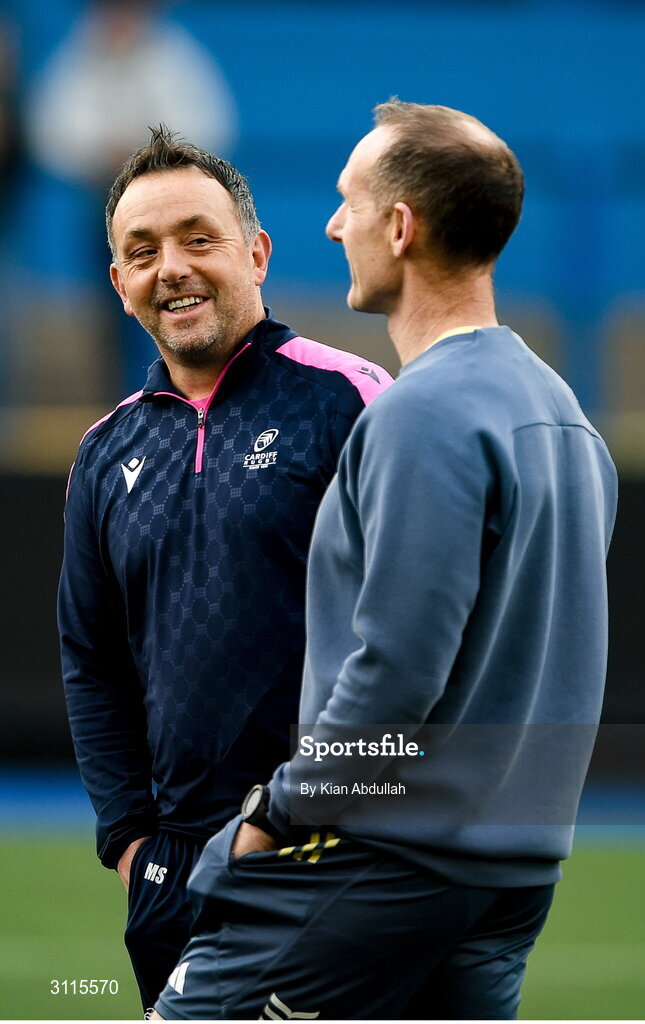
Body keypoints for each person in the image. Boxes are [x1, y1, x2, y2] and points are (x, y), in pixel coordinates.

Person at [152, 101, 618, 1021]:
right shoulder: (564, 414)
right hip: (513, 875)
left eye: (348, 200)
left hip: (384, 865)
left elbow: (396, 670)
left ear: (401, 227)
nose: (332, 225)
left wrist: (276, 813)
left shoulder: (423, 413)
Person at [57, 125, 391, 1013]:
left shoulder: (355, 402)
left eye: (198, 238)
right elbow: (90, 658)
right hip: (171, 871)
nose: (172, 267)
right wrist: (132, 845)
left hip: (331, 854)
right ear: (121, 283)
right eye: (143, 250)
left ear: (256, 251)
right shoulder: (103, 452)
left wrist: (349, 810)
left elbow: (414, 638)